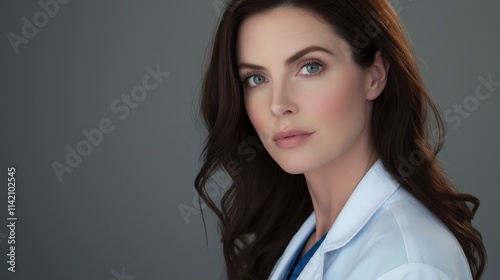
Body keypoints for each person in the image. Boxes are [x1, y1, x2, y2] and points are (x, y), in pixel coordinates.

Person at [194, 0, 487, 279]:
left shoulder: (408, 265)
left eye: (310, 67)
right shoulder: (302, 236)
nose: (278, 104)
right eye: (257, 78)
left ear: (374, 75)